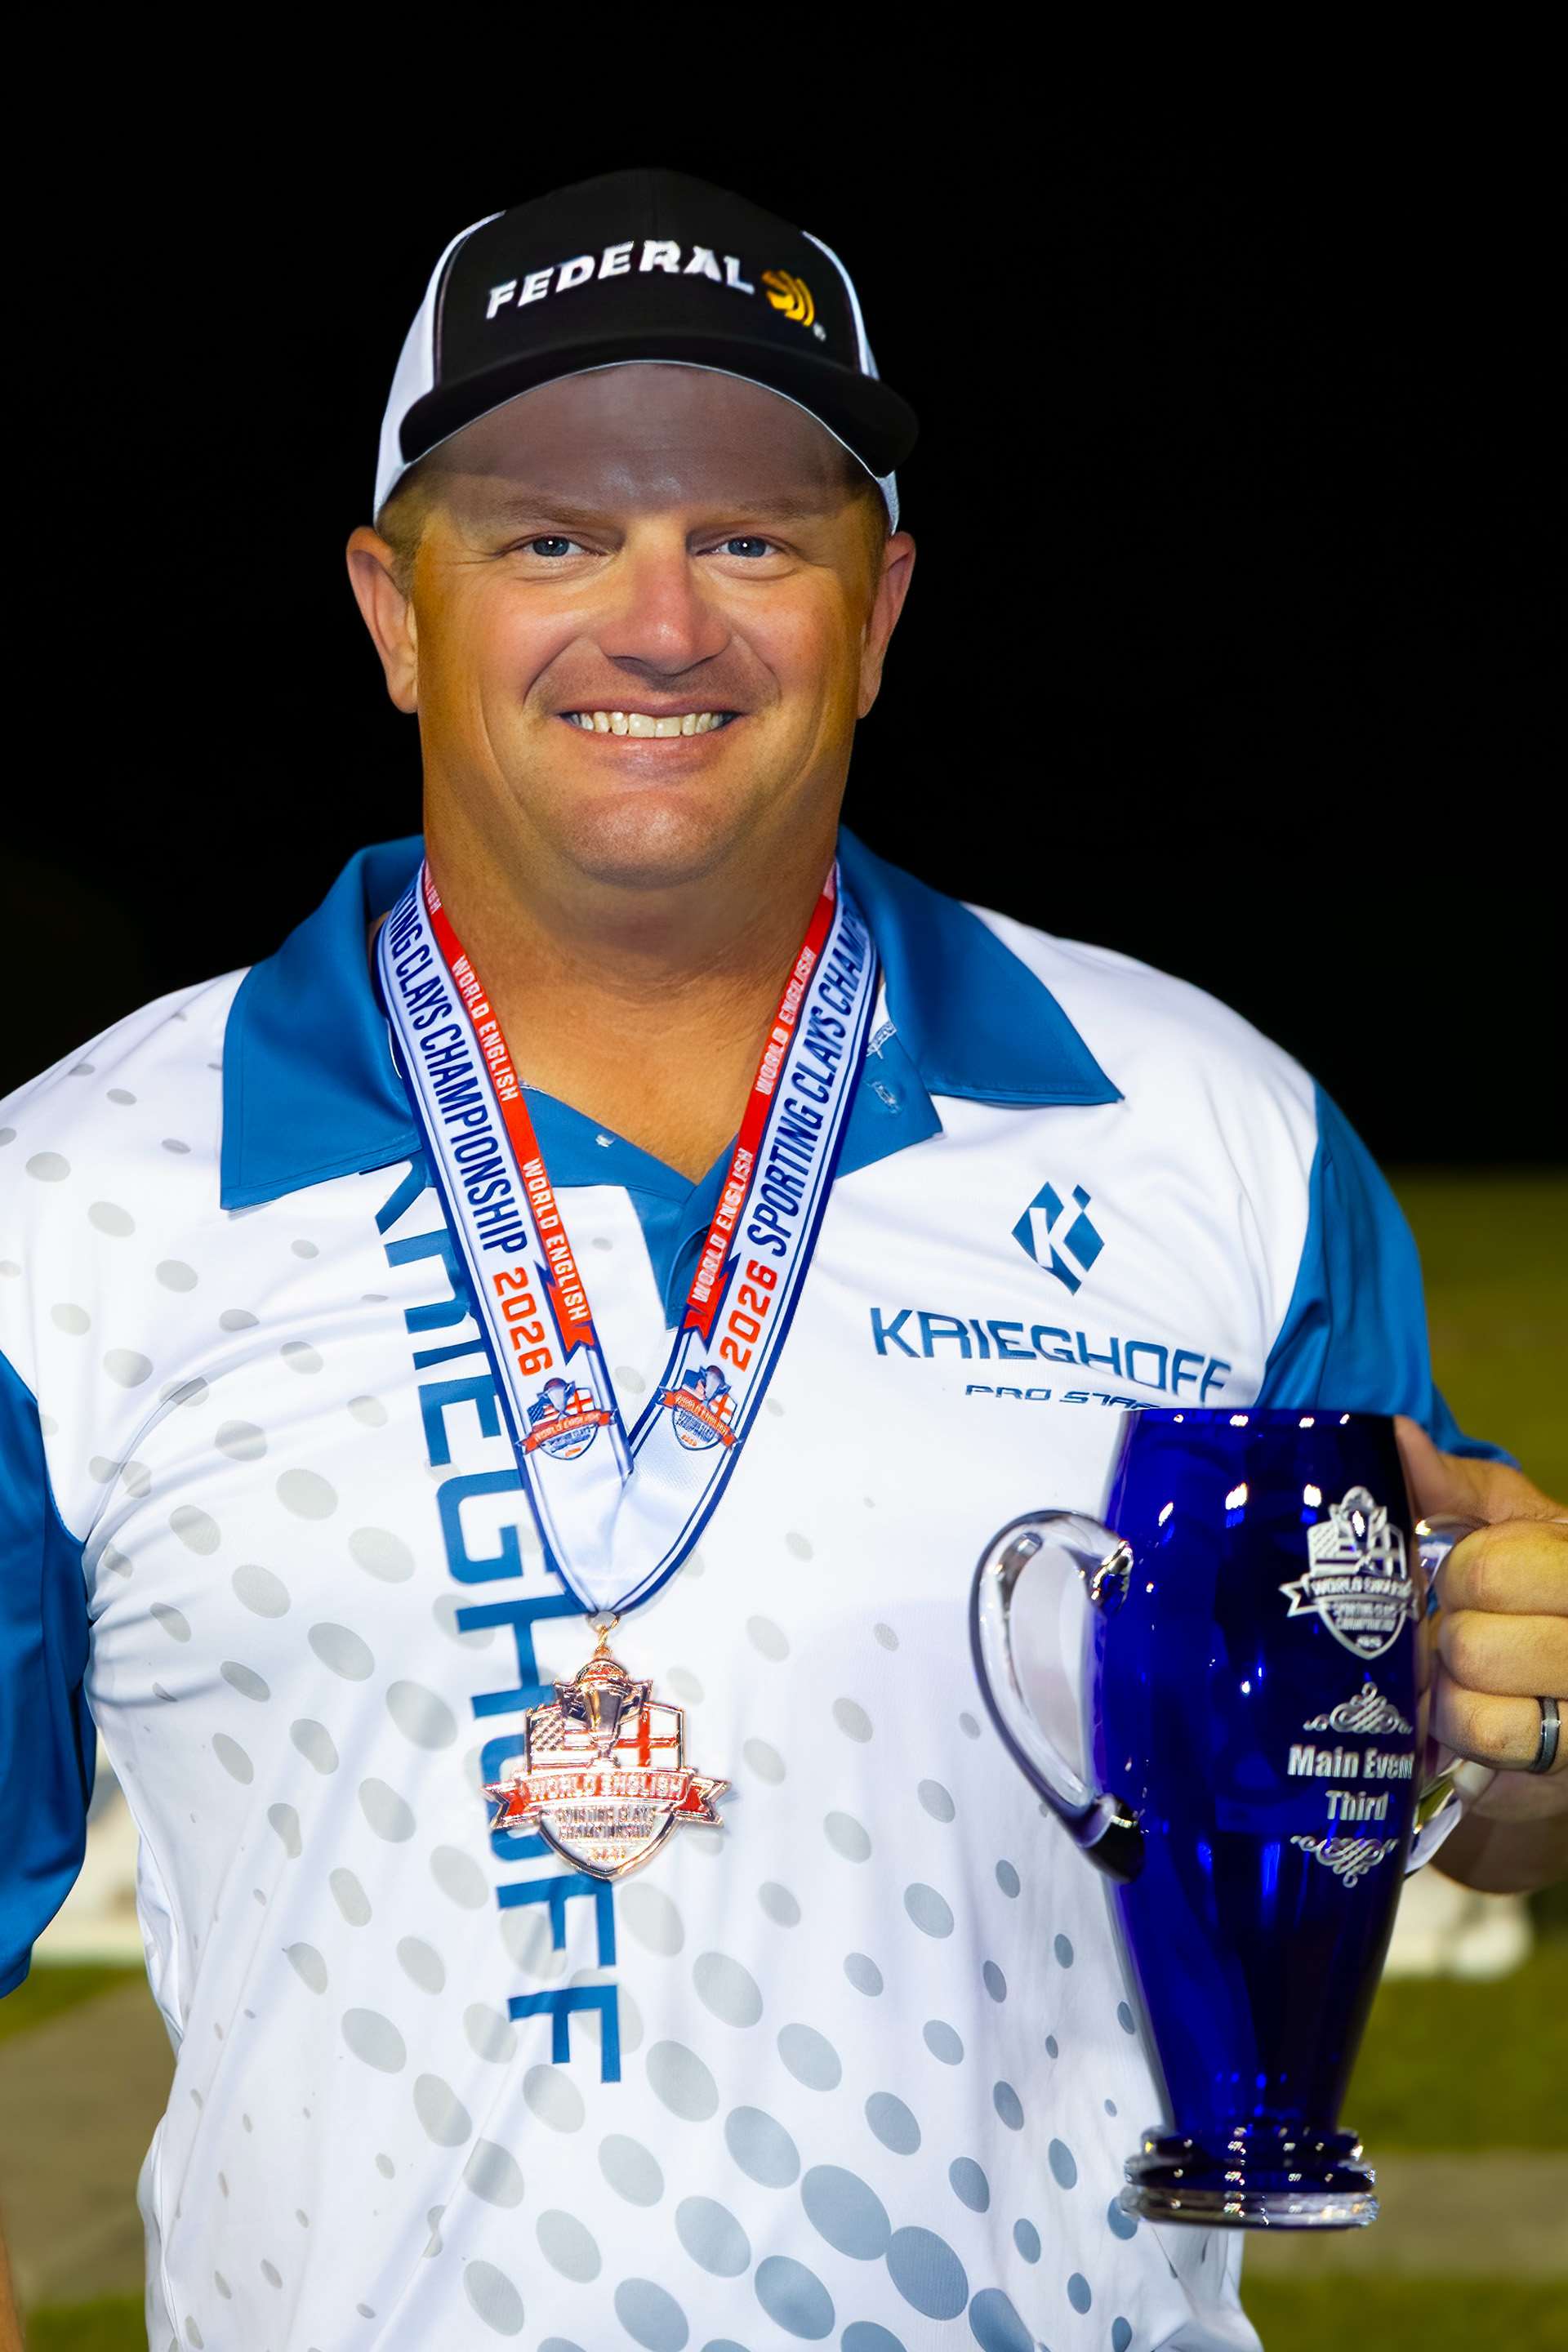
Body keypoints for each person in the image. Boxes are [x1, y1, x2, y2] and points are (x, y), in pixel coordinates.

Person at [2, 167, 1563, 2352]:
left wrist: (1537, 1718)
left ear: (884, 603)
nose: (662, 622)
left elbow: (1464, 1806)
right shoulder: (73, 1199)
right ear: (391, 606)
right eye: (551, 537)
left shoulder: (1218, 1136)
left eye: (754, 539)